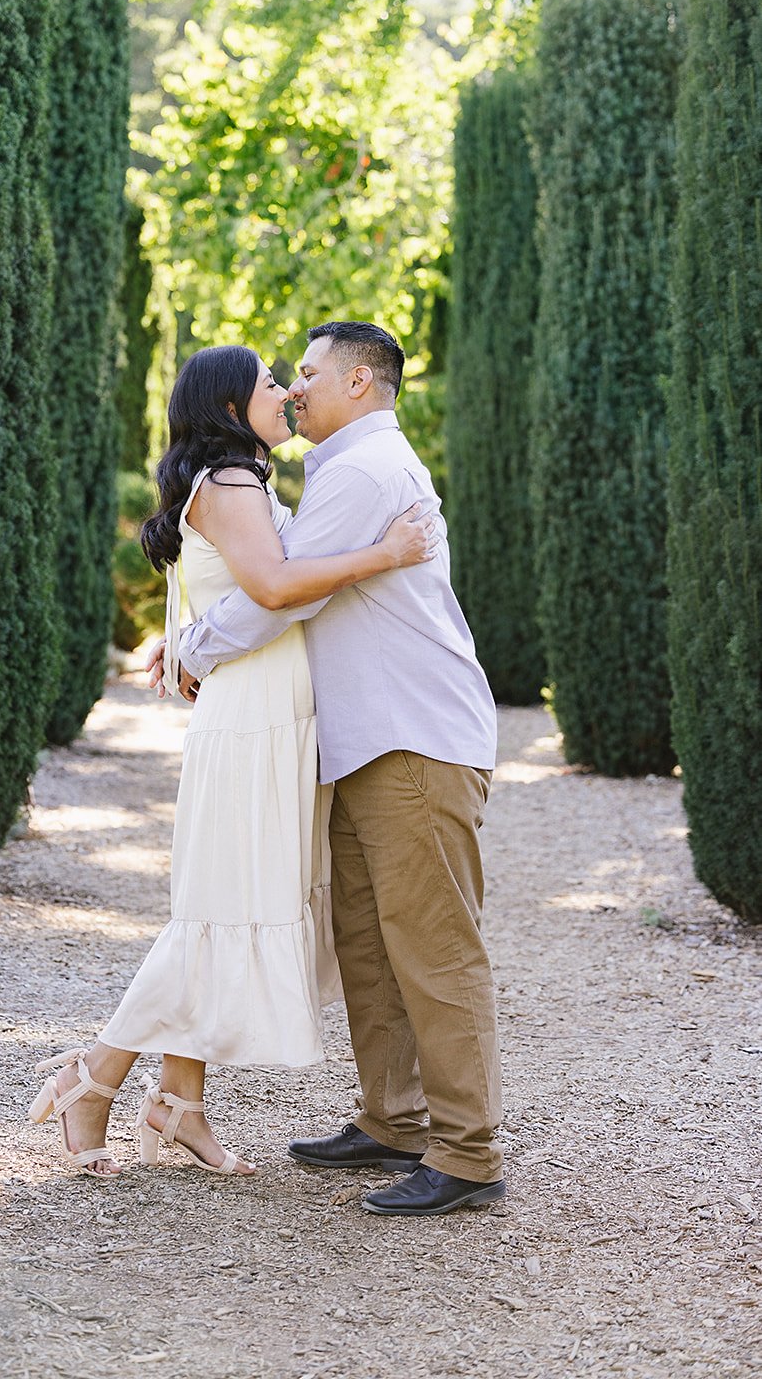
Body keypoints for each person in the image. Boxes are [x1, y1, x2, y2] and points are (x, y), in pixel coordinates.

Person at [29, 344, 437, 1178]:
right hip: (253, 715)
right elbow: (279, 589)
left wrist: (187, 641)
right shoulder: (232, 484)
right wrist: (385, 555)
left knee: (226, 908)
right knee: (216, 917)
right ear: (226, 410)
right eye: (269, 385)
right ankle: (94, 1077)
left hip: (267, 709)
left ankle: (180, 1105)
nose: (287, 393)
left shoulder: (236, 483)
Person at [158, 322, 505, 1218]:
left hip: (411, 740)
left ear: (358, 384)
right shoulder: (340, 470)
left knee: (433, 948)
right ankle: (391, 1121)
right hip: (364, 741)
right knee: (367, 943)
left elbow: (283, 595)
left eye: (307, 374)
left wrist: (191, 648)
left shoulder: (360, 471)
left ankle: (466, 1152)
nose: (295, 387)